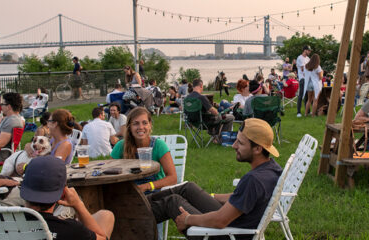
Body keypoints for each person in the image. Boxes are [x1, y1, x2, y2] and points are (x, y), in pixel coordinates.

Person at [147, 118, 282, 240]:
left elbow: (220, 221)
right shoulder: (272, 169)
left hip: (228, 234)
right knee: (189, 187)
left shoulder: (254, 180)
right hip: (234, 223)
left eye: (240, 143)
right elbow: (244, 197)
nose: (234, 146)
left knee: (173, 202)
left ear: (257, 149)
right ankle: (139, 202)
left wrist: (187, 219)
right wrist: (211, 196)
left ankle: (131, 217)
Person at [20, 155, 115, 240]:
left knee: (105, 215)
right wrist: (78, 205)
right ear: (63, 192)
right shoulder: (71, 229)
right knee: (105, 217)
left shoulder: (6, 221)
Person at [110, 107, 177, 193]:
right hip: (131, 194)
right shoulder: (121, 146)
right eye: (136, 123)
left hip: (157, 193)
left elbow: (173, 178)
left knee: (188, 188)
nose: (140, 127)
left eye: (144, 123)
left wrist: (147, 186)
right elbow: (110, 175)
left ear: (150, 125)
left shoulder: (158, 145)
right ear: (129, 127)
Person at [296, 45, 312, 117]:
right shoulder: (300, 58)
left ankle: (307, 111)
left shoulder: (308, 58)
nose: (309, 52)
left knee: (307, 96)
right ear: (305, 50)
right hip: (302, 78)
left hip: (308, 78)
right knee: (301, 95)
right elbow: (303, 69)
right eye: (308, 50)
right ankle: (298, 112)